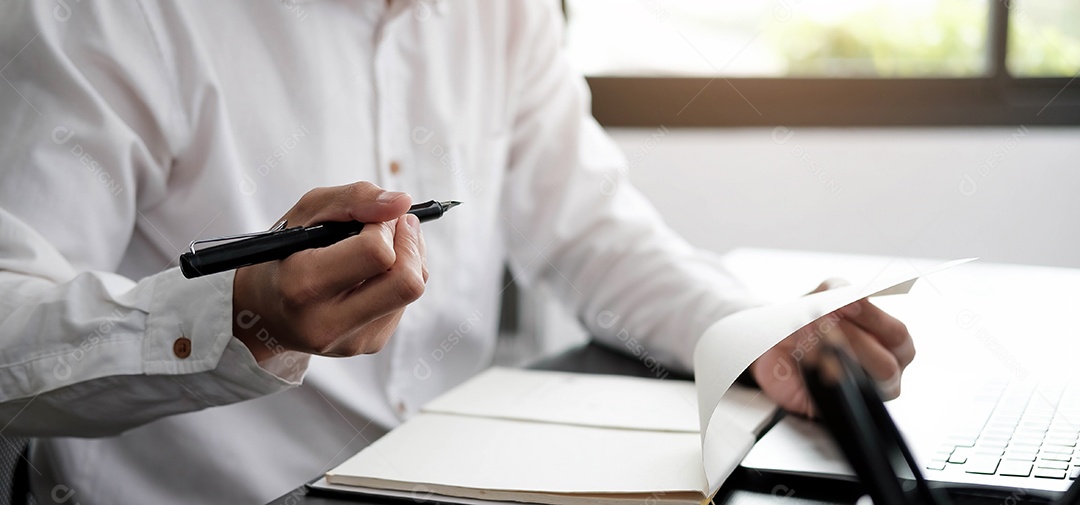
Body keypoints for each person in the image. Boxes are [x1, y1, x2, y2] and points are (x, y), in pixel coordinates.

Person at [0, 1, 913, 503]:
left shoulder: (505, 16)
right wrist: (240, 317)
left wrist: (757, 333)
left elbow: (593, 228)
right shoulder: (98, 16)